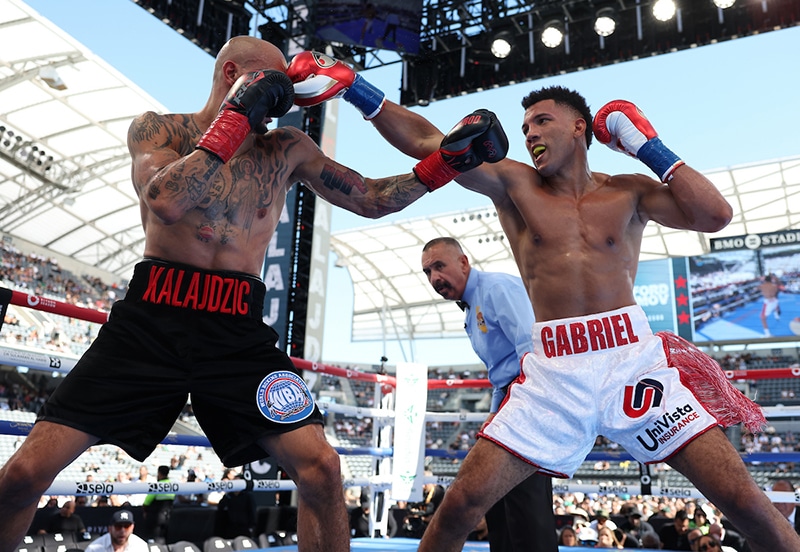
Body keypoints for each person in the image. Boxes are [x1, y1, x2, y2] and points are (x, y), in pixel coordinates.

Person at [285, 51, 800, 552]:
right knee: (460, 507)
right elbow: (428, 142)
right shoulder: (515, 184)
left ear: (579, 128)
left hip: (631, 361)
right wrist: (354, 86)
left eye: (542, 121)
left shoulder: (629, 191)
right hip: (553, 371)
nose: (529, 132)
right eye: (525, 125)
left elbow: (715, 215)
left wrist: (648, 145)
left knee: (744, 502)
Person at [0, 36, 497, 552]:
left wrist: (447, 164)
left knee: (322, 469)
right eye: (274, 81)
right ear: (232, 72)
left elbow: (371, 200)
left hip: (236, 329)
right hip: (150, 322)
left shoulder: (286, 149)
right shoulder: (160, 128)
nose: (285, 95)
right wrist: (237, 116)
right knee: (25, 474)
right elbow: (166, 201)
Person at [420, 236, 558, 552]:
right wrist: (495, 414)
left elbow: (531, 349)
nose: (434, 278)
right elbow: (499, 372)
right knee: (496, 501)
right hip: (510, 399)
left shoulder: (496, 288)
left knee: (525, 506)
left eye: (439, 266)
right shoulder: (471, 309)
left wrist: (518, 410)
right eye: (428, 272)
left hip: (529, 396)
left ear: (464, 262)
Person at [141, 465, 173, 543]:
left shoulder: (157, 486)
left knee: (154, 539)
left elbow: (146, 502)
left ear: (159, 473)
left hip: (155, 517)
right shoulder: (172, 485)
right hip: (168, 516)